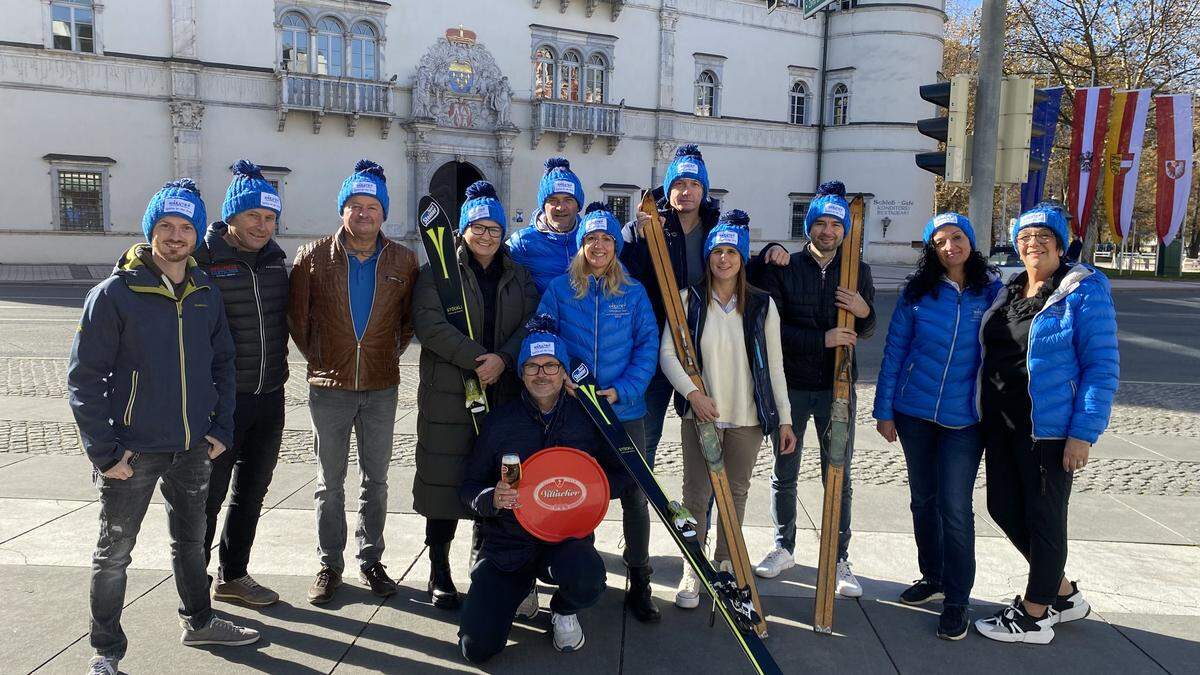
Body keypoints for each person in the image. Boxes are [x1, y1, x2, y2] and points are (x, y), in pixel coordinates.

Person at [69, 179, 259, 675]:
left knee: (191, 543)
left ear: (197, 234)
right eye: (167, 226)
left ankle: (199, 621)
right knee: (114, 553)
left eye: (186, 227)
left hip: (194, 448)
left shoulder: (205, 292)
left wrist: (220, 428)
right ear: (152, 230)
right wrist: (105, 452)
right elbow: (84, 378)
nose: (176, 236)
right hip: (134, 450)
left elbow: (224, 363)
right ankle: (105, 650)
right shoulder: (114, 294)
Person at [973, 205, 1119, 644]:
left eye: (1042, 236)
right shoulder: (1009, 290)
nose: (1032, 243)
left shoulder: (1083, 291)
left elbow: (1102, 365)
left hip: (1050, 429)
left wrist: (1082, 434)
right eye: (1025, 236)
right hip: (1002, 422)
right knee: (1002, 506)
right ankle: (1062, 593)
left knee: (1045, 516)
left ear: (1058, 242)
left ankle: (1035, 614)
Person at [457, 317, 635, 662]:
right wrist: (489, 498)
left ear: (564, 371)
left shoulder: (589, 419)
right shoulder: (499, 423)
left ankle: (564, 610)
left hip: (566, 541)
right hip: (508, 545)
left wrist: (591, 488)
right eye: (533, 366)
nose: (542, 373)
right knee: (475, 649)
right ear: (521, 374)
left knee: (588, 578)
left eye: (551, 365)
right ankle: (519, 590)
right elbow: (468, 487)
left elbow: (626, 473)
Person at [288, 159, 420, 605]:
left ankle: (371, 560)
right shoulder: (313, 257)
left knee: (376, 480)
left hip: (381, 386)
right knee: (329, 481)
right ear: (342, 210)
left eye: (372, 207)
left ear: (384, 214)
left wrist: (379, 354)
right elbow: (298, 320)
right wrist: (327, 357)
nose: (364, 214)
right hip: (329, 386)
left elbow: (407, 323)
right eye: (355, 206)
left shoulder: (404, 259)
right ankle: (329, 563)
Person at [872, 212, 1002, 639]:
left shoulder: (993, 292)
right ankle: (933, 575)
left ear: (971, 240)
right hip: (915, 414)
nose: (951, 246)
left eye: (958, 237)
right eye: (941, 240)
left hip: (964, 421)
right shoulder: (918, 291)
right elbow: (894, 351)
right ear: (932, 247)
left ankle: (957, 600)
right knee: (922, 501)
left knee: (955, 509)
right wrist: (885, 409)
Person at [659, 210, 797, 609]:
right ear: (708, 257)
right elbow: (668, 354)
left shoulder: (761, 305)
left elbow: (774, 366)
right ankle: (693, 566)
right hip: (700, 415)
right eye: (717, 251)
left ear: (742, 258)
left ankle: (724, 560)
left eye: (731, 252)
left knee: (735, 495)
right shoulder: (688, 299)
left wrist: (784, 418)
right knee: (696, 495)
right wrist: (692, 395)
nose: (724, 259)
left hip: (748, 417)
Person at [412, 180, 538, 609]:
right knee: (444, 482)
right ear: (463, 230)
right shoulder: (437, 271)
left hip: (503, 392)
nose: (486, 236)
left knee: (497, 477)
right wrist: (477, 358)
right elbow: (428, 325)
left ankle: (490, 561)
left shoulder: (519, 275)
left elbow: (533, 323)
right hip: (450, 392)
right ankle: (439, 569)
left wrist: (503, 359)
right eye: (478, 227)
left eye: (494, 229)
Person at [749, 180, 875, 598]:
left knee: (838, 472)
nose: (827, 231)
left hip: (838, 390)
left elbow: (867, 328)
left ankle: (838, 557)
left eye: (834, 225)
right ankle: (784, 546)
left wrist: (864, 311)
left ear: (845, 230)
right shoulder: (786, 266)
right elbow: (773, 329)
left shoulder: (858, 270)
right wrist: (821, 339)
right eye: (819, 223)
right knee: (784, 471)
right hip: (792, 387)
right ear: (809, 226)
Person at [537, 202, 661, 622]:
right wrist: (562, 380)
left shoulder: (633, 292)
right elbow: (544, 334)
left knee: (635, 495)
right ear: (581, 243)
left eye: (608, 238)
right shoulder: (559, 289)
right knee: (576, 491)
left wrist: (621, 390)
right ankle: (581, 571)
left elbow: (648, 345)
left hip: (624, 410)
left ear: (615, 245)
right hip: (575, 410)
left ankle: (639, 576)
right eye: (592, 238)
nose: (600, 245)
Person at [194, 160, 290, 607]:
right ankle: (195, 584)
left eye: (270, 217)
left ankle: (233, 574)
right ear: (231, 215)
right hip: (220, 404)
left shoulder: (275, 263)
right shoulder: (204, 260)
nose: (263, 225)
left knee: (251, 492)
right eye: (253, 216)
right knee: (207, 497)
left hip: (269, 396)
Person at [621, 143, 721, 469]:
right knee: (646, 436)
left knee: (706, 436)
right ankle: (640, 506)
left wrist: (773, 250)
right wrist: (637, 235)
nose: (686, 191)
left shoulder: (717, 229)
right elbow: (622, 270)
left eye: (694, 184)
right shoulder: (649, 226)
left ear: (703, 189)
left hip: (703, 347)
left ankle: (697, 509)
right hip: (654, 345)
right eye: (679, 184)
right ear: (668, 188)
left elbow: (741, 267)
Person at [506, 157, 586, 294]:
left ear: (578, 205)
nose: (561, 207)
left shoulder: (591, 239)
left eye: (568, 200)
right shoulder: (522, 243)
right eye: (553, 200)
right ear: (543, 206)